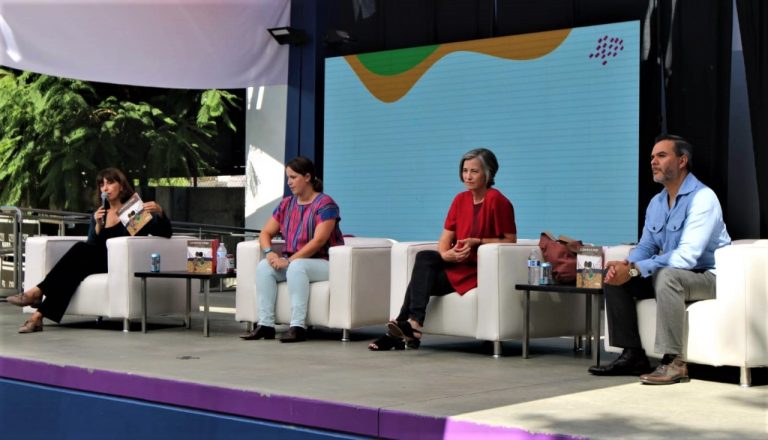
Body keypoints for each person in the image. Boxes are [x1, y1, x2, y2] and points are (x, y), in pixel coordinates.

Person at [588, 134, 731, 384]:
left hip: (708, 277)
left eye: (661, 156)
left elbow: (687, 257)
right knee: (612, 277)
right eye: (652, 157)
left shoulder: (703, 199)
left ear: (682, 160)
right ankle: (632, 354)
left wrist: (635, 270)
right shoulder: (656, 203)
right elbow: (646, 246)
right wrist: (627, 266)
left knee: (666, 276)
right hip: (674, 273)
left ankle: (674, 361)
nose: (653, 161)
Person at [368, 148, 517, 351]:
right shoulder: (460, 199)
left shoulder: (497, 201)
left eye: (474, 171)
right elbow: (446, 236)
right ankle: (413, 325)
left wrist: (478, 241)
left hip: (476, 270)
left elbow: (510, 241)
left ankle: (406, 328)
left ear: (488, 173)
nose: (468, 176)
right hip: (456, 264)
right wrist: (446, 254)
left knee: (418, 279)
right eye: (465, 170)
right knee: (425, 257)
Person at [7, 168, 172, 333]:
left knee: (79, 252)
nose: (105, 188)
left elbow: (165, 232)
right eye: (102, 184)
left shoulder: (134, 210)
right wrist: (98, 226)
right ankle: (37, 317)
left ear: (121, 186)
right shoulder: (100, 213)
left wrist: (160, 212)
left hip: (119, 263)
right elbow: (92, 244)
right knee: (72, 272)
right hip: (96, 261)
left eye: (110, 183)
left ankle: (37, 292)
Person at [240, 156, 344, 343]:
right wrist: (269, 253)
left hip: (326, 262)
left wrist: (288, 260)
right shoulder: (286, 204)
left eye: (293, 177)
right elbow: (265, 233)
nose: (289, 182)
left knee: (297, 267)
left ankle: (297, 326)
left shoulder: (325, 204)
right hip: (296, 262)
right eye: (288, 177)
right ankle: (266, 325)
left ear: (307, 177)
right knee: (265, 267)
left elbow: (319, 240)